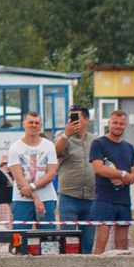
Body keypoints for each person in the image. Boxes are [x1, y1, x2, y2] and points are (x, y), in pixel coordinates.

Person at [2, 110, 57, 254]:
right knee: (19, 238)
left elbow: (51, 173)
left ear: (41, 125)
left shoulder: (48, 146)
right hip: (22, 199)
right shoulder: (15, 148)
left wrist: (32, 187)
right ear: (24, 124)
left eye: (37, 123)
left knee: (48, 239)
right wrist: (35, 197)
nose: (33, 125)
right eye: (30, 122)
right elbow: (18, 177)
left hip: (47, 198)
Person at [86, 108, 134, 254]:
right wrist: (122, 174)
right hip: (104, 199)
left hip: (123, 201)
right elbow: (99, 168)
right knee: (102, 240)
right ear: (109, 123)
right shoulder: (99, 144)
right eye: (115, 123)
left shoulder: (129, 147)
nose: (118, 126)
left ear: (126, 125)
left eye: (121, 124)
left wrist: (127, 179)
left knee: (122, 242)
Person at [52, 106, 96, 252]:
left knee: (88, 241)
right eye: (70, 117)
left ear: (86, 120)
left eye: (76, 117)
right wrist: (66, 135)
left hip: (90, 197)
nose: (73, 121)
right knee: (68, 240)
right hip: (69, 197)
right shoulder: (63, 138)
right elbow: (53, 153)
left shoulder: (95, 140)